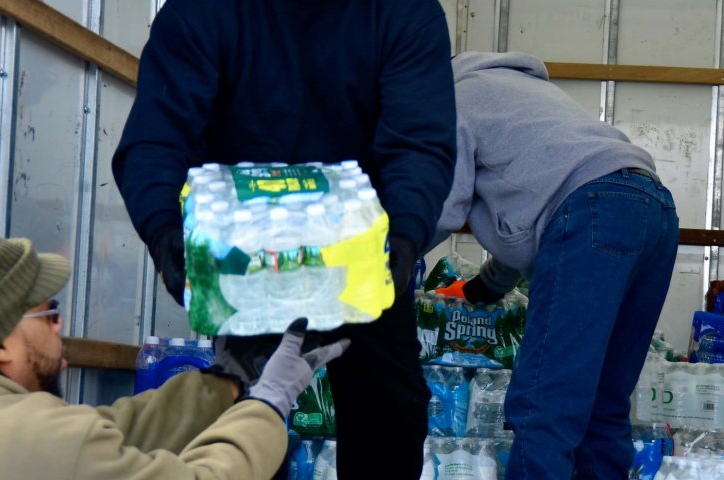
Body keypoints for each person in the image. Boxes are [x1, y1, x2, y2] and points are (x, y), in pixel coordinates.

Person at [111, 0, 457, 475]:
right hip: (248, 262)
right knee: (241, 415)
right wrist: (163, 229)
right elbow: (157, 136)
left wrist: (405, 235)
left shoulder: (403, 12)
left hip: (361, 258)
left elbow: (418, 142)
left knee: (391, 413)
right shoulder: (200, 12)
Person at [435, 51, 680, 479]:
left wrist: (383, 259)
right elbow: (533, 210)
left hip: (594, 209)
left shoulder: (454, 99)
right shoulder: (525, 91)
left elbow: (442, 207)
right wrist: (484, 288)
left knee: (543, 405)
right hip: (654, 210)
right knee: (604, 405)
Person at [0, 230, 347, 479]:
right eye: (48, 311)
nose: (59, 325)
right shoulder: (38, 440)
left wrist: (228, 381)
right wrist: (269, 403)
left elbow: (112, 429)